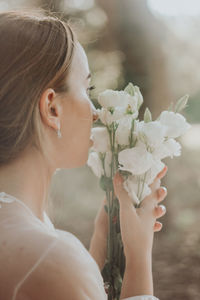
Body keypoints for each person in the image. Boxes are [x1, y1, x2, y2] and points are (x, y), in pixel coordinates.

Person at [0, 9, 167, 300]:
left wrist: (99, 246)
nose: (96, 112)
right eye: (87, 88)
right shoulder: (49, 257)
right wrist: (139, 259)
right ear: (52, 108)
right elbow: (49, 269)